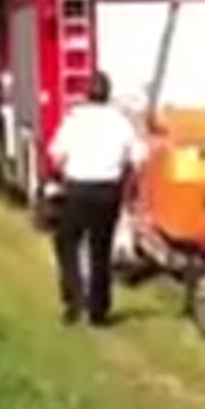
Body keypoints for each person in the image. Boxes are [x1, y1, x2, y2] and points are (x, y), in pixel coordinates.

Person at [46, 70, 144, 326]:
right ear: (108, 94)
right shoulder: (120, 122)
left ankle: (74, 301)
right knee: (100, 249)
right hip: (108, 192)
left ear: (86, 93)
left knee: (66, 242)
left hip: (78, 189)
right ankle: (99, 311)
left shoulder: (75, 120)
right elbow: (139, 157)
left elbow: (55, 153)